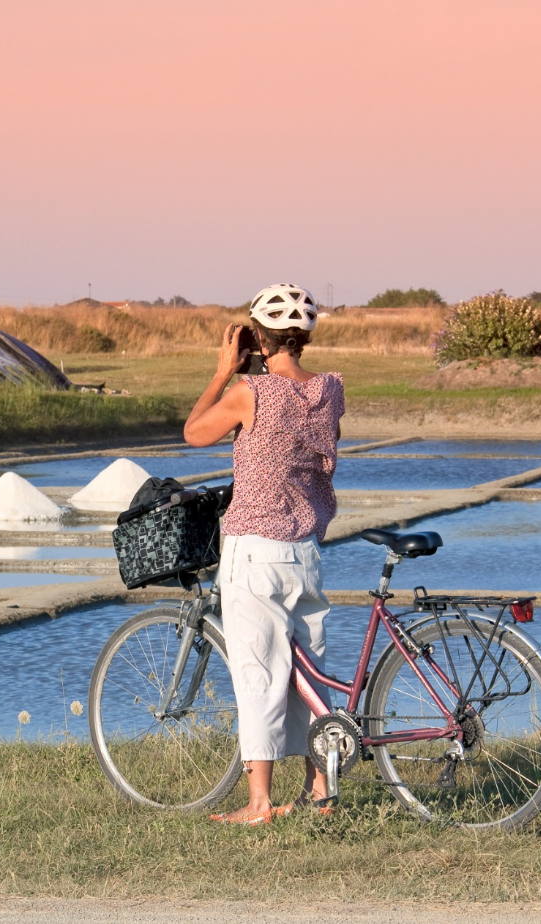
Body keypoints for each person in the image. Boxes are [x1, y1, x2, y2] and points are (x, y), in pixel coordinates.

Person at [182, 283, 344, 826]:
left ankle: (258, 805)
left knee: (259, 675)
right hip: (305, 550)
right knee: (309, 674)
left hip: (254, 552)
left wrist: (226, 367)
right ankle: (320, 790)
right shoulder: (329, 390)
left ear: (258, 336)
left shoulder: (250, 392)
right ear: (302, 337)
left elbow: (194, 432)